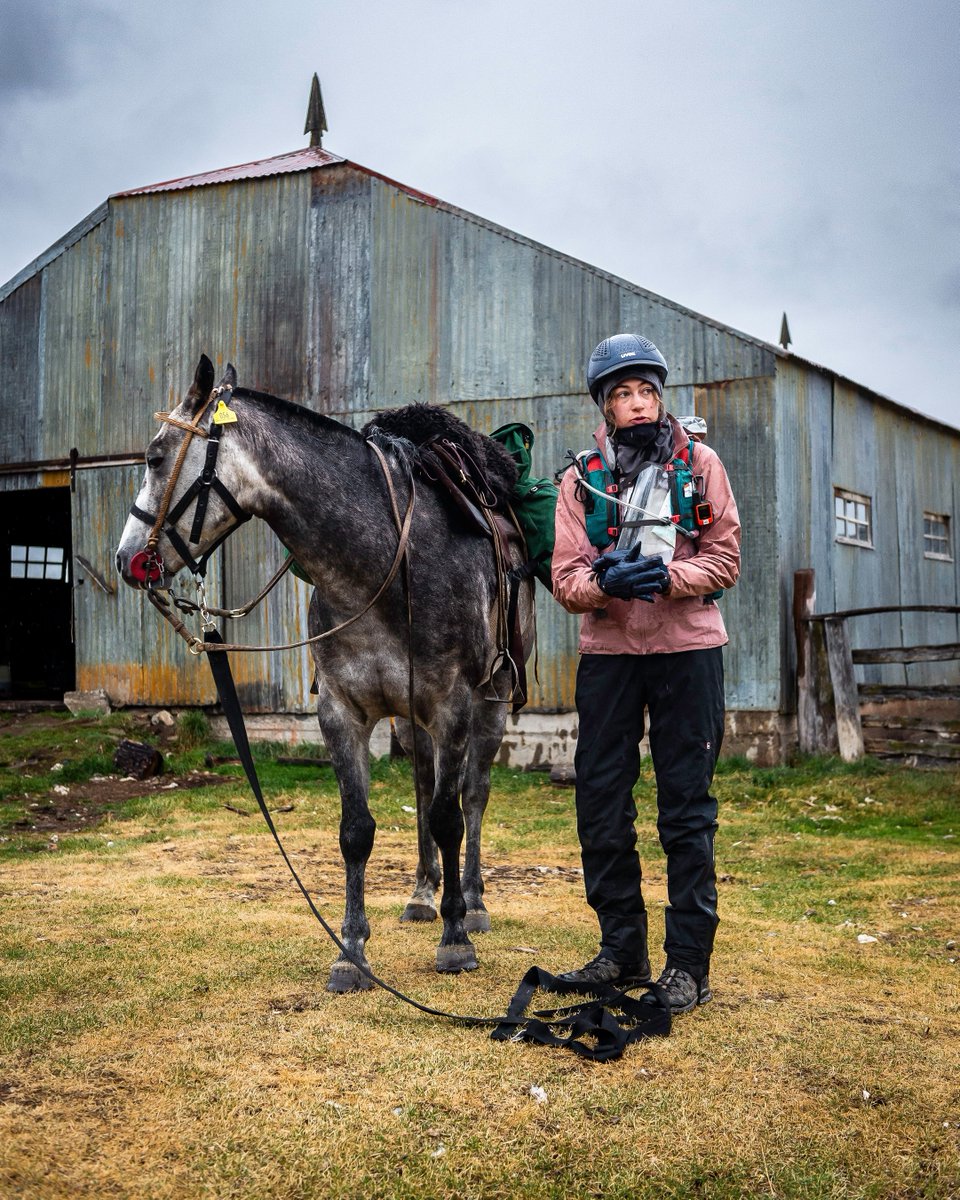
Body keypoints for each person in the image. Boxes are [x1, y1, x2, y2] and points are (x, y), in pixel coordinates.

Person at [551, 333, 741, 1013]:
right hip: (609, 659)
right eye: (622, 394)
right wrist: (604, 584)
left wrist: (665, 576)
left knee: (685, 810)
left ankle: (688, 965)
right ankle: (621, 950)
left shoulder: (702, 464)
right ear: (604, 406)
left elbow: (724, 558)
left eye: (646, 392)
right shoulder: (581, 479)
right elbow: (564, 576)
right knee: (600, 802)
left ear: (661, 397)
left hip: (688, 653)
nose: (636, 404)